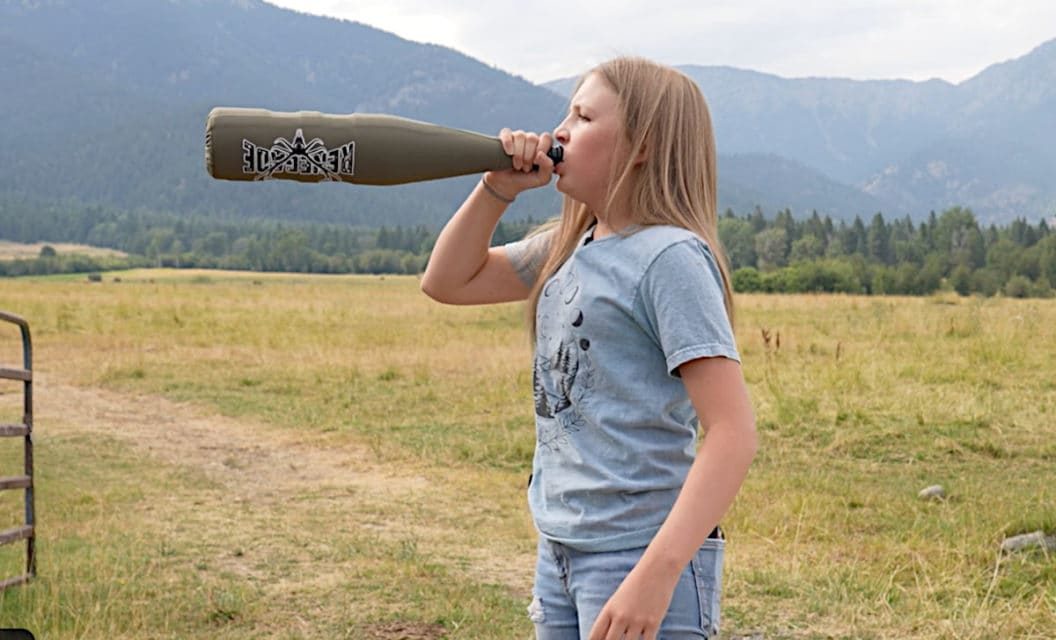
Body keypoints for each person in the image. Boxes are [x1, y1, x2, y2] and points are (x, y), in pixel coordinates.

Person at [420, 57, 757, 640]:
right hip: (562, 550)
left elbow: (733, 432)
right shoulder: (571, 244)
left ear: (643, 145)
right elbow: (447, 281)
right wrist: (495, 189)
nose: (559, 133)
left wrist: (657, 575)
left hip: (640, 554)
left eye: (582, 115)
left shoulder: (668, 258)